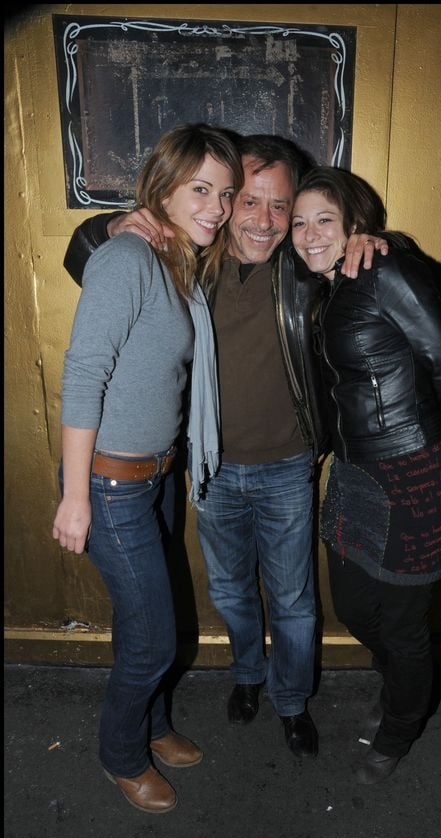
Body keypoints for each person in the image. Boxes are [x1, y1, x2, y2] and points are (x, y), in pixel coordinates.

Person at [62, 133, 388, 760]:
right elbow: (88, 261)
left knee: (292, 602)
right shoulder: (190, 261)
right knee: (233, 593)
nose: (264, 220)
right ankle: (247, 676)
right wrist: (110, 225)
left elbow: (362, 255)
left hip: (289, 467)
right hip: (209, 470)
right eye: (249, 201)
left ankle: (291, 702)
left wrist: (381, 241)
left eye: (280, 207)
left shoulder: (304, 273)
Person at [52, 123, 243, 813]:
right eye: (201, 189)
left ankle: (155, 725)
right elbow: (83, 376)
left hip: (155, 476)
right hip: (108, 483)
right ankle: (120, 753)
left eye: (225, 193)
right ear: (161, 185)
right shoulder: (129, 257)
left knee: (149, 625)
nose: (216, 207)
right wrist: (76, 497)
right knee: (155, 636)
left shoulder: (175, 260)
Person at [290, 167, 441, 784]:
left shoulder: (382, 268)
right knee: (353, 607)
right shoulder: (326, 287)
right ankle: (401, 680)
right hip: (351, 474)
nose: (309, 233)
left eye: (325, 219)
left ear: (355, 226)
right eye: (299, 222)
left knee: (403, 626)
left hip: (412, 475)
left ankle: (398, 732)